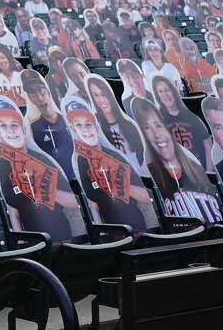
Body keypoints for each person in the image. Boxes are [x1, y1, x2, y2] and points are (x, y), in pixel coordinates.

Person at [0, 96, 84, 242]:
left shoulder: (44, 160)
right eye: (3, 126)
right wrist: (22, 246)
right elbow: (14, 213)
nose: (11, 131)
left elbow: (72, 204)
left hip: (64, 238)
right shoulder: (1, 165)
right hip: (35, 244)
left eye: (14, 125)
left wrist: (43, 189)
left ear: (23, 128)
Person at [64, 97, 156, 233]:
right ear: (73, 129)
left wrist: (119, 185)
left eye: (88, 124)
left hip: (139, 226)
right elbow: (92, 204)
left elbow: (145, 197)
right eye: (78, 125)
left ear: (96, 126)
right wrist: (102, 235)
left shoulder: (115, 155)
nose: (85, 130)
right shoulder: (79, 161)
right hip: (113, 232)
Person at [131, 97, 222, 224]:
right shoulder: (148, 177)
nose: (156, 134)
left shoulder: (195, 167)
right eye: (147, 128)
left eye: (158, 125)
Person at [21, 70, 76, 180]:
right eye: (33, 94)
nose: (40, 98)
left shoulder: (68, 119)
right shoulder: (32, 127)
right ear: (30, 98)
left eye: (41, 91)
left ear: (48, 92)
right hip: (56, 182)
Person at [150, 75, 213, 171]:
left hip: (202, 170)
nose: (165, 95)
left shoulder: (192, 117)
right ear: (157, 95)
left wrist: (209, 172)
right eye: (160, 91)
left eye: (167, 90)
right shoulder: (158, 121)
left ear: (173, 92)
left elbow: (208, 146)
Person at [86, 74, 145, 174]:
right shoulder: (95, 127)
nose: (101, 100)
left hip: (141, 177)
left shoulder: (130, 121)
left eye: (103, 94)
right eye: (96, 95)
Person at [0, 43, 26, 107]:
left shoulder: (20, 75)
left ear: (8, 58)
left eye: (2, 57)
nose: (0, 61)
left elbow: (27, 98)